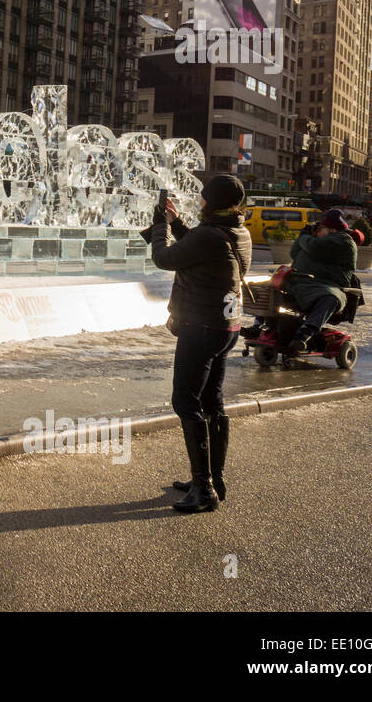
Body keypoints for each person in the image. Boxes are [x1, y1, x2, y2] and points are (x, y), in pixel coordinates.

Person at [146, 174, 252, 513]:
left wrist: (159, 225)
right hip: (226, 327)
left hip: (201, 327)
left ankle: (203, 489)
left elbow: (165, 259)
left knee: (186, 400)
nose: (200, 201)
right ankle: (212, 478)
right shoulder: (239, 231)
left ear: (212, 201)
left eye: (204, 197)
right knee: (212, 401)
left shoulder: (211, 235)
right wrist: (178, 225)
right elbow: (201, 248)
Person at [284, 208, 358, 356]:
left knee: (329, 298)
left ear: (332, 230)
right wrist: (304, 237)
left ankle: (305, 334)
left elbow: (314, 247)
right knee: (267, 289)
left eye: (320, 229)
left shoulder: (343, 240)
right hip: (300, 282)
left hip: (327, 285)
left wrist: (304, 237)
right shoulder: (318, 242)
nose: (317, 232)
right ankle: (261, 326)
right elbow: (294, 253)